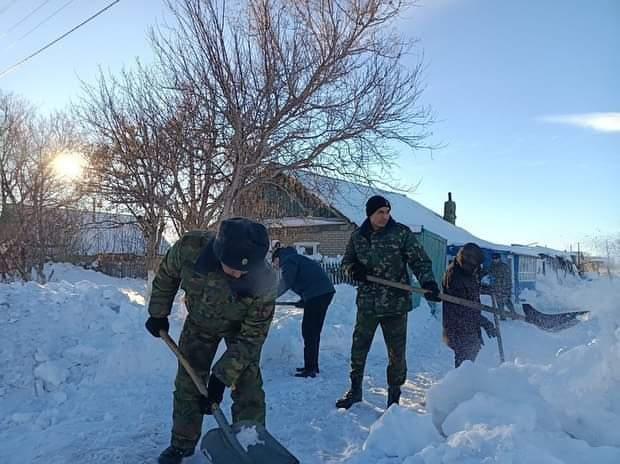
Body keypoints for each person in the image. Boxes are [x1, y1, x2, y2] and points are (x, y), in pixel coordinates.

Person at [144, 218, 277, 464]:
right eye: (232, 267)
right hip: (199, 323)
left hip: (240, 332)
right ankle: (181, 444)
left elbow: (252, 337)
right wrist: (158, 313)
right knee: (188, 383)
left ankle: (252, 444)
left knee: (248, 386)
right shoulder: (190, 247)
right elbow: (166, 276)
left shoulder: (266, 281)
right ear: (218, 252)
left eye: (244, 271)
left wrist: (221, 378)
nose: (237, 274)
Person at [336, 195, 440, 410]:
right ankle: (355, 391)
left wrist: (428, 281)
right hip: (368, 303)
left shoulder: (401, 233)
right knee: (359, 349)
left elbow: (419, 260)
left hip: (395, 304)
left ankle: (394, 398)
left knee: (396, 354)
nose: (385, 216)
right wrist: (354, 270)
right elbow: (347, 262)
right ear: (370, 214)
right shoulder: (358, 236)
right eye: (380, 212)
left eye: (387, 211)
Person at [272, 246, 335, 378]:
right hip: (323, 292)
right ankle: (312, 366)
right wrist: (304, 299)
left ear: (277, 258)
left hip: (318, 294)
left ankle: (310, 368)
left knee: (309, 331)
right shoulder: (297, 259)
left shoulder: (288, 261)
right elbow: (307, 279)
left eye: (274, 263)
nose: (275, 266)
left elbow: (286, 282)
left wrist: (269, 297)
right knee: (313, 331)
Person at [442, 243, 497, 368]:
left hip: (468, 327)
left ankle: (464, 382)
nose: (477, 268)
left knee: (470, 356)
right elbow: (463, 308)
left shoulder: (465, 271)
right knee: (464, 361)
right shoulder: (454, 276)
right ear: (466, 260)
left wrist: (485, 289)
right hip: (458, 327)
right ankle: (460, 385)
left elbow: (471, 289)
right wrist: (484, 323)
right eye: (475, 265)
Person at [488, 253, 517, 319]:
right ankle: (502, 316)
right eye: (493, 259)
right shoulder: (492, 266)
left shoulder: (504, 266)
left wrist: (507, 288)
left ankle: (513, 314)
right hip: (496, 287)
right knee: (499, 302)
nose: (495, 260)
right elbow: (490, 274)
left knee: (506, 301)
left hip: (504, 287)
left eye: (496, 259)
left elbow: (507, 278)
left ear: (499, 258)